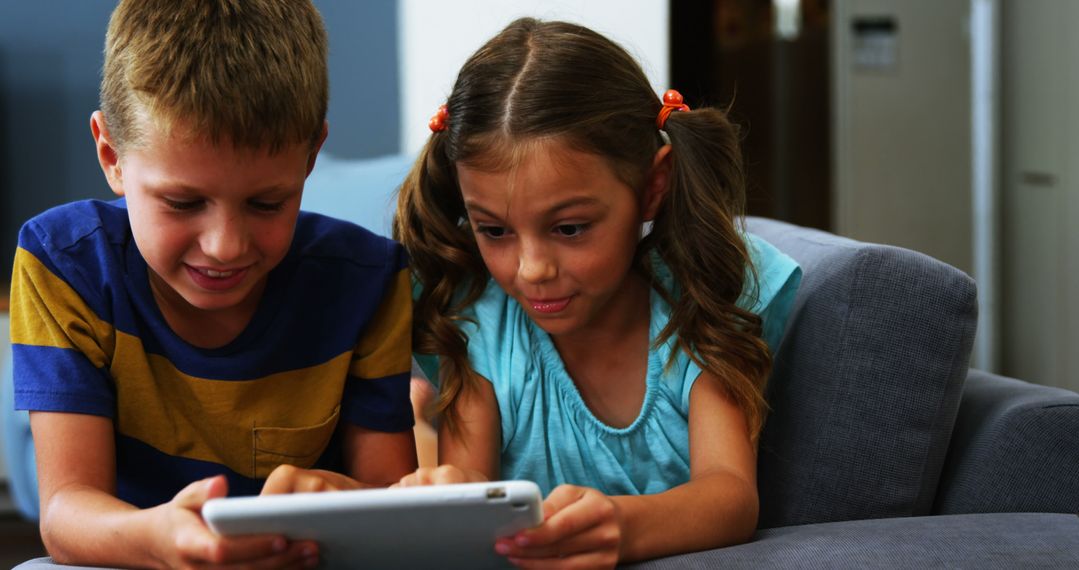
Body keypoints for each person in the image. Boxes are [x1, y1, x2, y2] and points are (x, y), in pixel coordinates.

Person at [9, 1, 417, 567]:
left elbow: (394, 512)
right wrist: (160, 539)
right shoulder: (63, 264)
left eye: (266, 203)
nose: (226, 245)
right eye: (183, 202)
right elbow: (65, 513)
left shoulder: (368, 281)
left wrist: (352, 502)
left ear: (310, 157)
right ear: (112, 156)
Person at [394, 17, 802, 567]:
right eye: (494, 231)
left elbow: (729, 494)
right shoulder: (480, 319)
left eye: (569, 229)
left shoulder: (701, 300)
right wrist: (444, 497)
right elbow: (471, 482)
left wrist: (619, 525)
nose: (532, 270)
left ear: (652, 187)